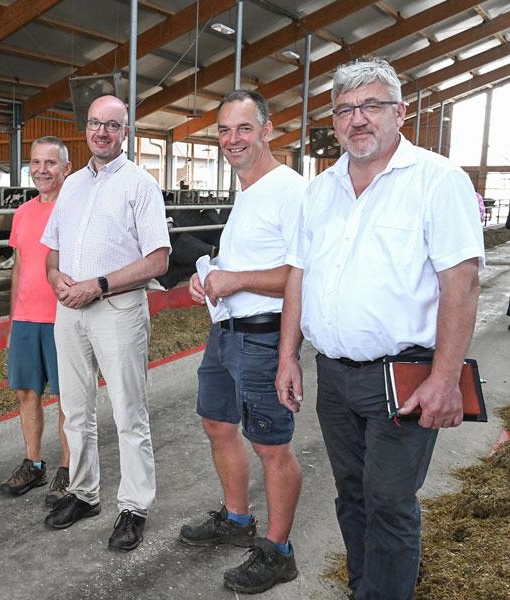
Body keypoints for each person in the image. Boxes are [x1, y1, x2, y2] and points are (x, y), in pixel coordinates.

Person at [275, 58, 484, 600]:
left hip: (405, 375)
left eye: (371, 106)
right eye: (345, 109)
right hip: (335, 375)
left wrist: (444, 380)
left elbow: (461, 284)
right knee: (351, 493)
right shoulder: (319, 190)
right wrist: (287, 355)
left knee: (389, 499)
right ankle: (366, 584)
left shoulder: (438, 181)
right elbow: (299, 274)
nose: (357, 119)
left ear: (400, 112)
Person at [179, 90, 304, 594]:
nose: (233, 139)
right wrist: (208, 279)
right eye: (224, 131)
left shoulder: (289, 189)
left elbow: (300, 275)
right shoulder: (248, 191)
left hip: (263, 337)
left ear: (268, 130)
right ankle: (236, 519)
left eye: (243, 128)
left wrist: (236, 281)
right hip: (224, 330)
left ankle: (279, 552)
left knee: (272, 445)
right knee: (217, 424)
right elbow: (244, 267)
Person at [41, 95, 170, 552]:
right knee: (74, 409)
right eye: (95, 123)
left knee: (128, 413)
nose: (102, 132)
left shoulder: (140, 185)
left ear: (125, 133)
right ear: (86, 128)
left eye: (112, 126)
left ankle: (134, 506)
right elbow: (52, 249)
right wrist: (56, 278)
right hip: (69, 310)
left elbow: (158, 259)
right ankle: (84, 493)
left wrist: (97, 284)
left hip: (117, 309)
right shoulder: (72, 184)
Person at [0, 136, 72, 505]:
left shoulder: (75, 210)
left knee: (67, 399)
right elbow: (21, 269)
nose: (42, 170)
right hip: (27, 318)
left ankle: (69, 468)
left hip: (66, 318)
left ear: (66, 168)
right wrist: (13, 320)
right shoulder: (23, 213)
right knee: (27, 392)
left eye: (51, 163)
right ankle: (34, 462)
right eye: (36, 163)